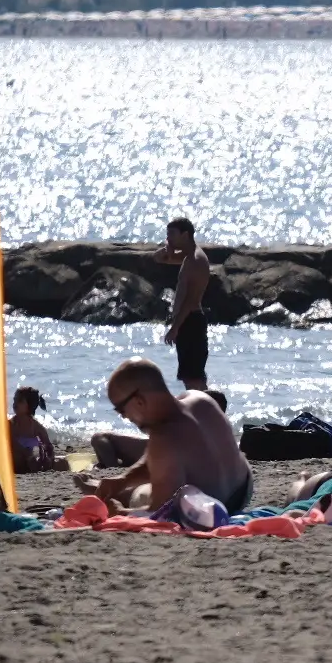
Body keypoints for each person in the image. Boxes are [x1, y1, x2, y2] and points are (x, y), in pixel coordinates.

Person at [74, 358, 253, 513]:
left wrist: (120, 513)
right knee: (158, 479)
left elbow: (159, 513)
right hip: (243, 490)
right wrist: (123, 480)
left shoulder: (163, 439)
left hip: (211, 507)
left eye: (121, 409)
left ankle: (111, 492)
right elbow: (165, 460)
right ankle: (114, 488)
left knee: (142, 494)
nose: (124, 417)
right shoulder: (200, 399)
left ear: (139, 401)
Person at [155, 217, 212, 390]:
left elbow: (191, 301)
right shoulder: (186, 256)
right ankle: (201, 412)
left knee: (194, 378)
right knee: (189, 377)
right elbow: (158, 258)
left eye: (171, 234)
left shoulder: (195, 259)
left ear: (185, 234)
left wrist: (175, 328)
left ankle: (204, 411)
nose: (168, 238)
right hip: (187, 321)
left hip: (191, 321)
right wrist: (169, 249)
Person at [7, 387, 61, 473]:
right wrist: (26, 453)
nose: (15, 403)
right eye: (14, 400)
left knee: (61, 462)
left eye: (20, 401)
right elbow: (11, 444)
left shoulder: (35, 426)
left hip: (33, 461)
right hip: (16, 461)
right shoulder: (10, 425)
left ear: (30, 405)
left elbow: (48, 446)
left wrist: (49, 458)